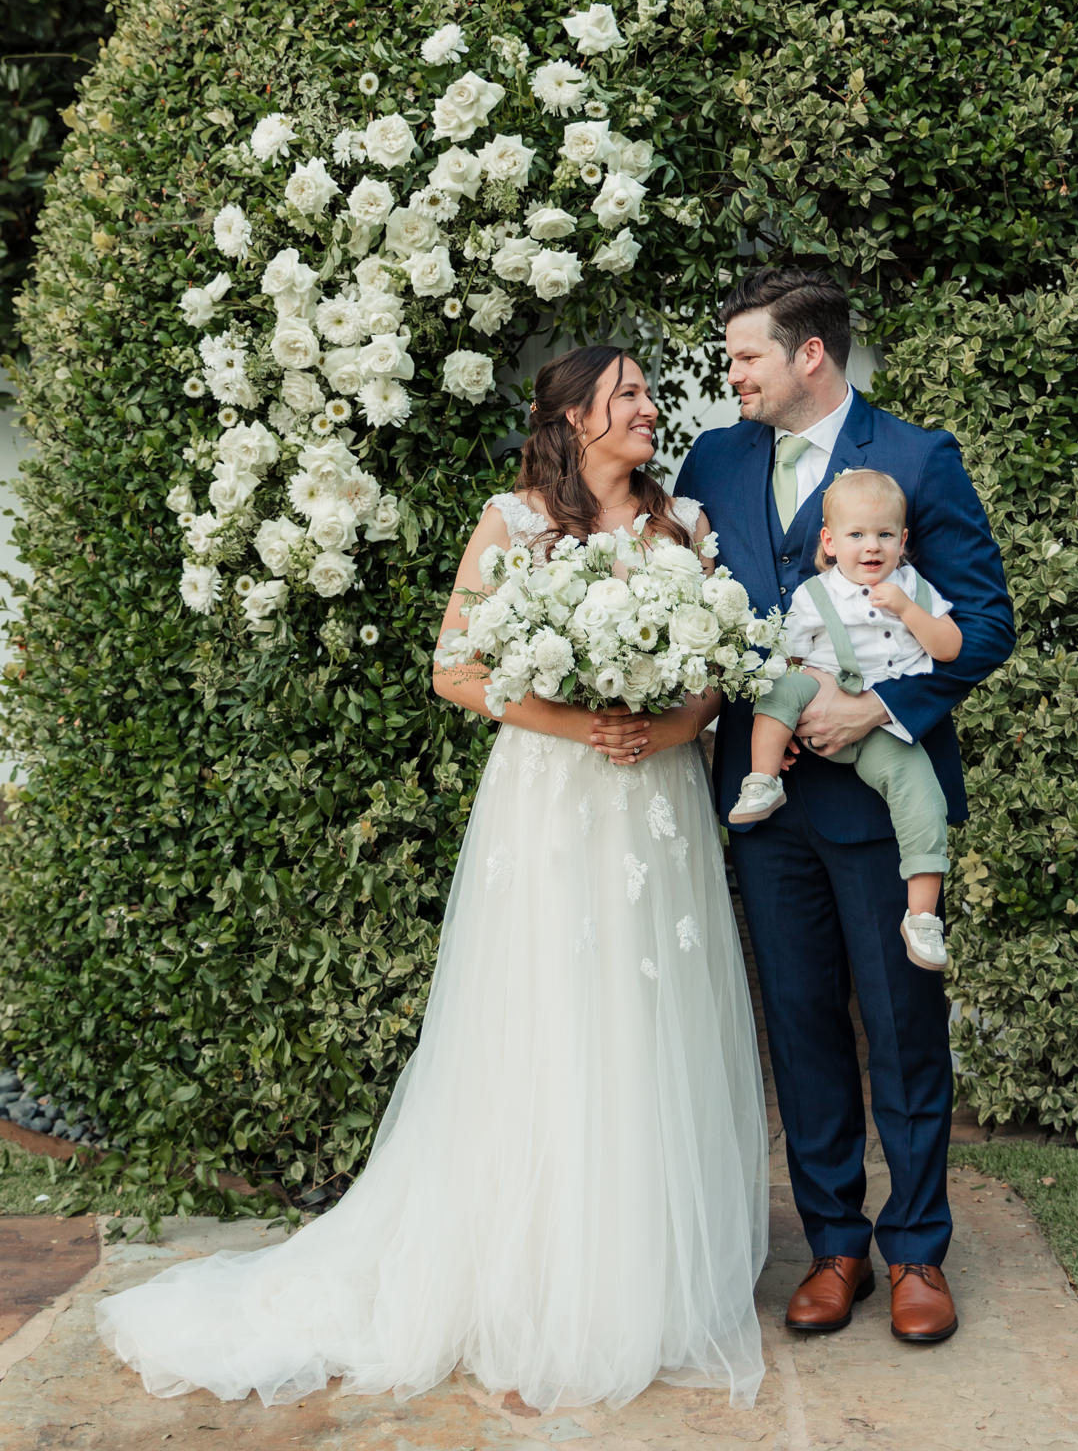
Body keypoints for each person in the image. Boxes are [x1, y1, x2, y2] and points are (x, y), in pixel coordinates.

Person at [96, 346, 768, 1415]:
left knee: (652, 1019)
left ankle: (641, 1270)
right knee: (548, 1018)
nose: (649, 407)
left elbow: (718, 684)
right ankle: (525, 1277)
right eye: (629, 392)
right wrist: (579, 719)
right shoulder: (513, 519)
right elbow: (455, 667)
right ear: (575, 415)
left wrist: (664, 721)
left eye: (647, 392)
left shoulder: (679, 525)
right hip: (551, 800)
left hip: (656, 804)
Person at [674, 269, 1014, 1346]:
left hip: (879, 798)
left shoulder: (919, 457)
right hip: (762, 798)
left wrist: (876, 708)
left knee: (903, 1025)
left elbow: (989, 624)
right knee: (802, 1022)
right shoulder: (712, 459)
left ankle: (917, 1249)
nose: (731, 376)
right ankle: (834, 1243)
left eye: (746, 357)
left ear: (809, 353)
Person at [730, 467, 961, 974]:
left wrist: (906, 608)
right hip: (822, 694)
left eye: (883, 535)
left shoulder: (913, 589)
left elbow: (949, 648)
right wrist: (801, 701)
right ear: (830, 542)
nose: (871, 547)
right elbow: (785, 655)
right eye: (856, 535)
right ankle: (762, 779)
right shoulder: (817, 595)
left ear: (902, 541)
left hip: (882, 725)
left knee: (923, 797)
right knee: (778, 689)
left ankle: (921, 918)